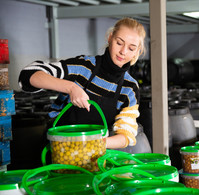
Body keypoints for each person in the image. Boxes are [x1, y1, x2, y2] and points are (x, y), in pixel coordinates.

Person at [18, 17, 146, 149]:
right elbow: (28, 75)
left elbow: (126, 135)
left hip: (93, 155)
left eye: (131, 48)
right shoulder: (83, 67)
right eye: (119, 43)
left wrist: (92, 144)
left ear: (138, 51)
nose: (123, 52)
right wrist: (71, 87)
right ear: (110, 38)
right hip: (58, 150)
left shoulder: (129, 88)